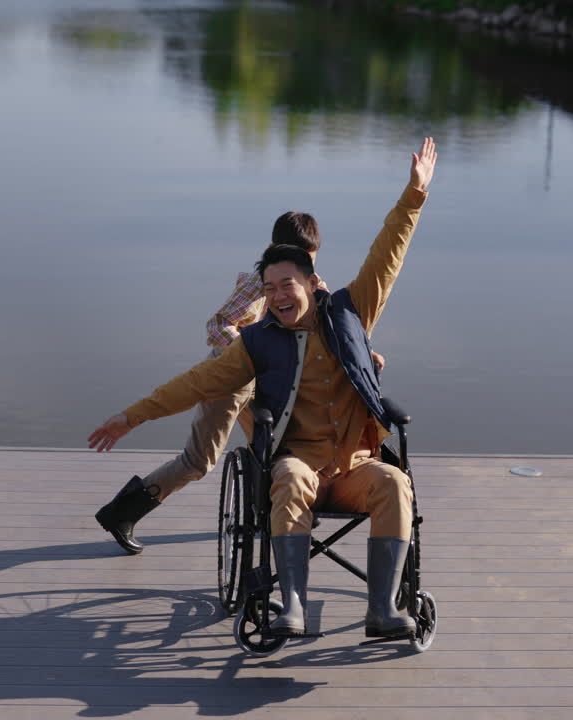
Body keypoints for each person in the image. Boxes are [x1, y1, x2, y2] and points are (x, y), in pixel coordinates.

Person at [89, 137, 437, 639]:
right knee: (225, 463)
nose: (276, 294)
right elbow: (199, 376)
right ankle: (289, 602)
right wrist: (132, 415)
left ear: (312, 276)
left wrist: (413, 196)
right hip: (253, 395)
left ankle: (382, 609)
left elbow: (388, 255)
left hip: (351, 460)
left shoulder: (345, 309)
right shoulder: (260, 329)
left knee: (395, 483)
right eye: (270, 286)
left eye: (288, 283)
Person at [93, 213, 387, 555]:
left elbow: (334, 336)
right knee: (199, 461)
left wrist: (367, 355)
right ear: (273, 248)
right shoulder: (259, 283)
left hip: (273, 383)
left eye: (308, 259)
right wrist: (250, 348)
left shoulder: (311, 285)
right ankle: (123, 511)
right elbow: (217, 325)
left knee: (276, 445)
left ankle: (290, 503)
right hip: (231, 379)